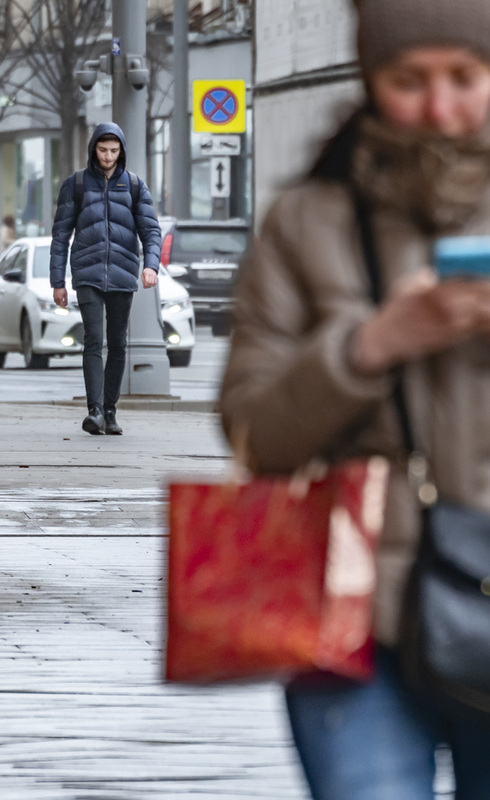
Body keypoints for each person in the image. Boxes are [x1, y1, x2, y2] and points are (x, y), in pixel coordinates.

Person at [220, 1, 490, 797]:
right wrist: (369, 346)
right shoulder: (308, 221)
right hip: (350, 616)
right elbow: (254, 433)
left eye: (464, 79)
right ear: (372, 82)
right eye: (409, 81)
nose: (438, 108)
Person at [49, 123, 162, 437]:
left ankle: (110, 412)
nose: (108, 156)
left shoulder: (135, 186)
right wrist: (57, 280)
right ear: (93, 149)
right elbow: (60, 236)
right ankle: (95, 411)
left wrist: (151, 265)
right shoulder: (77, 184)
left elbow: (151, 231)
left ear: (121, 150)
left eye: (114, 150)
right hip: (87, 272)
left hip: (124, 274)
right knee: (93, 340)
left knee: (117, 344)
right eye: (102, 150)